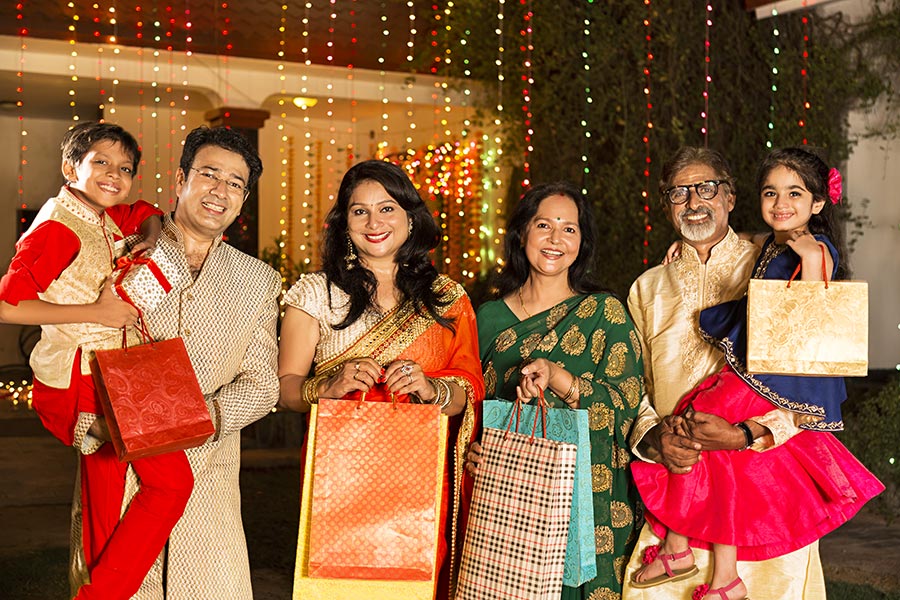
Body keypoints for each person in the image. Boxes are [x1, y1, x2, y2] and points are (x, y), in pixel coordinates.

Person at [629, 147, 884, 599]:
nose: (693, 202)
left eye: (706, 188)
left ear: (730, 198)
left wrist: (746, 435)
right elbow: (633, 389)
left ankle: (720, 575)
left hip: (766, 494)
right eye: (679, 193)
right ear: (665, 204)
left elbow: (809, 366)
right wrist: (654, 439)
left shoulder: (770, 258)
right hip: (678, 481)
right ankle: (679, 551)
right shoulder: (647, 287)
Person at [65, 125, 281, 599]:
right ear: (180, 179)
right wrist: (88, 424)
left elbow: (263, 384)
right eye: (208, 174)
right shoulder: (121, 250)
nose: (219, 191)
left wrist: (188, 420)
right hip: (120, 478)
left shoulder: (258, 280)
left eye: (235, 183)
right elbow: (74, 344)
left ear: (242, 201)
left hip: (209, 487)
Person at [0, 121, 193, 600]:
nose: (114, 174)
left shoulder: (96, 213)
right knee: (171, 484)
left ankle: (97, 591)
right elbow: (6, 305)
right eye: (100, 162)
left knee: (103, 504)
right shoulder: (58, 229)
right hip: (84, 376)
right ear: (71, 168)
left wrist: (148, 235)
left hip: (113, 371)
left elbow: (143, 211)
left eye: (125, 168)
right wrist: (98, 311)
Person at [277, 159, 485, 595]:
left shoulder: (447, 298)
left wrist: (432, 387)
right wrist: (326, 386)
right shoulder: (315, 293)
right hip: (340, 479)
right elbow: (285, 389)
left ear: (411, 217)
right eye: (360, 211)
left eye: (387, 208)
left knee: (417, 583)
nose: (374, 222)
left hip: (423, 482)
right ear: (343, 222)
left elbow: (469, 391)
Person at [468, 182, 644, 599]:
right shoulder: (488, 318)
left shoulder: (604, 312)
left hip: (588, 498)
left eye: (569, 229)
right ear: (522, 234)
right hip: (510, 496)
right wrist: (469, 449)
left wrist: (558, 376)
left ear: (582, 244)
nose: (555, 239)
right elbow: (471, 404)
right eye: (544, 224)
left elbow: (627, 407)